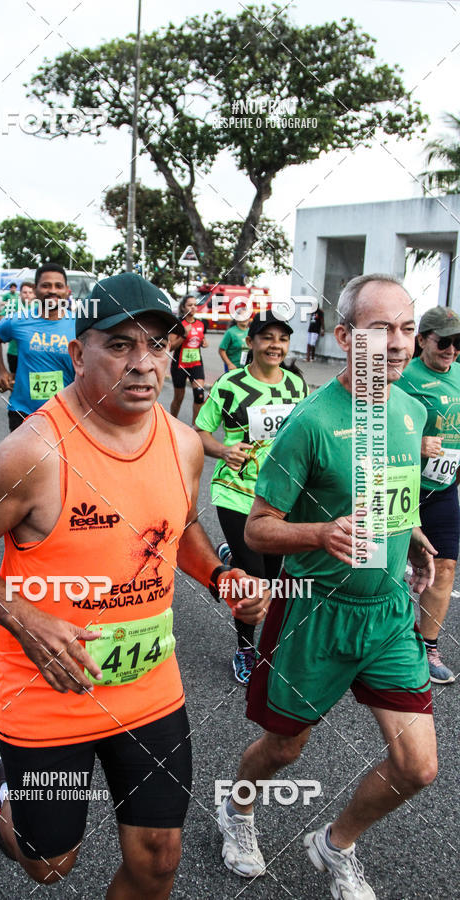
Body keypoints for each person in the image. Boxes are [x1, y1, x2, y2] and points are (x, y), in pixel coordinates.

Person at [0, 271, 268, 895]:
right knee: (49, 864)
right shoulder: (33, 451)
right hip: (48, 687)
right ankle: (12, 782)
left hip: (148, 682)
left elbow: (181, 527)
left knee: (158, 860)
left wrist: (222, 577)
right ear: (77, 351)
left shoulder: (185, 444)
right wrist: (27, 621)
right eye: (120, 345)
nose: (144, 364)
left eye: (158, 345)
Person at [217, 274, 438, 900]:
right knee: (286, 748)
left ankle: (335, 843)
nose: (397, 344)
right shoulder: (309, 423)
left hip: (388, 611)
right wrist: (320, 535)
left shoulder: (411, 407)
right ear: (343, 336)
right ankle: (237, 810)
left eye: (404, 327)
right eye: (378, 329)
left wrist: (412, 530)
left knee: (418, 766)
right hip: (315, 612)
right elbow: (257, 531)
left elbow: (396, 490)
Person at [195, 311, 308, 684]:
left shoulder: (296, 386)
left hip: (279, 497)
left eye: (281, 338)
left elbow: (305, 435)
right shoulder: (230, 384)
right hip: (236, 492)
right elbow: (201, 432)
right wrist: (224, 451)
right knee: (254, 583)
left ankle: (234, 555)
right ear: (251, 342)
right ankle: (246, 649)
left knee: (274, 581)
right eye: (267, 337)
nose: (275, 345)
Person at [397, 305, 460, 684]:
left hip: (444, 487)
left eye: (458, 343)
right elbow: (374, 424)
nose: (451, 350)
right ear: (421, 340)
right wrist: (413, 444)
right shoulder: (403, 377)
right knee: (381, 567)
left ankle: (428, 646)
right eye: (444, 342)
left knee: (446, 566)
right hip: (401, 485)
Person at [0, 266, 75, 431]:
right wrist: (1, 371)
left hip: (65, 414)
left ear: (67, 291)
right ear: (35, 289)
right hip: (23, 412)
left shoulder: (80, 325)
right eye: (46, 285)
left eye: (58, 286)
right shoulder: (19, 320)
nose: (52, 291)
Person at [169, 295, 208, 423]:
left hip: (196, 364)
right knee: (178, 398)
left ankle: (195, 429)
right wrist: (184, 335)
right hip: (179, 365)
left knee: (199, 395)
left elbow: (200, 338)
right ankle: (172, 424)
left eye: (195, 305)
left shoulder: (201, 324)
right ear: (183, 307)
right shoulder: (178, 324)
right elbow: (171, 347)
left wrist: (203, 342)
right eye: (189, 305)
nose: (193, 307)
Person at [0, 280, 35, 375]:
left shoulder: (38, 307)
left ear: (34, 294)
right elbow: (0, 318)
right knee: (14, 381)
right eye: (25, 292)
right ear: (20, 294)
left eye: (30, 292)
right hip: (14, 351)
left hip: (32, 352)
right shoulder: (13, 304)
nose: (27, 295)